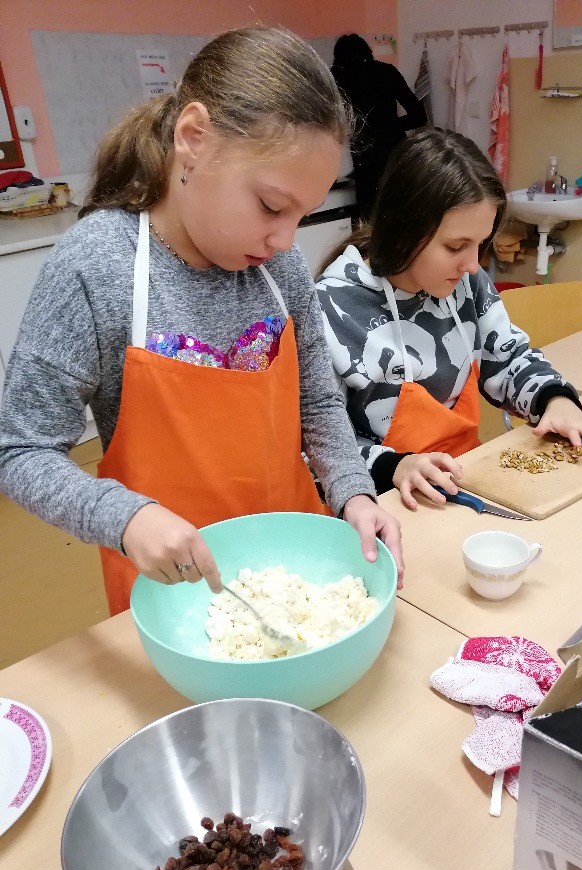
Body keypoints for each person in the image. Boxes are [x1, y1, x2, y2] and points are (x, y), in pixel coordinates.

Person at [0, 27, 403, 616]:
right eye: (270, 206)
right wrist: (126, 517)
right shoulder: (97, 266)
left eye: (301, 215)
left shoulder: (279, 267)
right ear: (193, 138)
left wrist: (354, 493)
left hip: (293, 570)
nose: (285, 239)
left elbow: (315, 400)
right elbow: (21, 449)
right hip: (174, 593)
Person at [315, 128, 582, 510]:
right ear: (402, 231)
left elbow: (508, 360)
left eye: (480, 244)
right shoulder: (332, 307)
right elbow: (318, 444)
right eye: (456, 246)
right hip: (383, 503)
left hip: (464, 482)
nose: (473, 265)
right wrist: (395, 466)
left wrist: (554, 399)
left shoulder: (467, 284)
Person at [331, 33, 426, 221]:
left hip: (364, 160)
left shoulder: (338, 79)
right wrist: (390, 124)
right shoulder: (387, 72)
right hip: (395, 154)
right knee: (401, 216)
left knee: (370, 222)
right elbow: (419, 116)